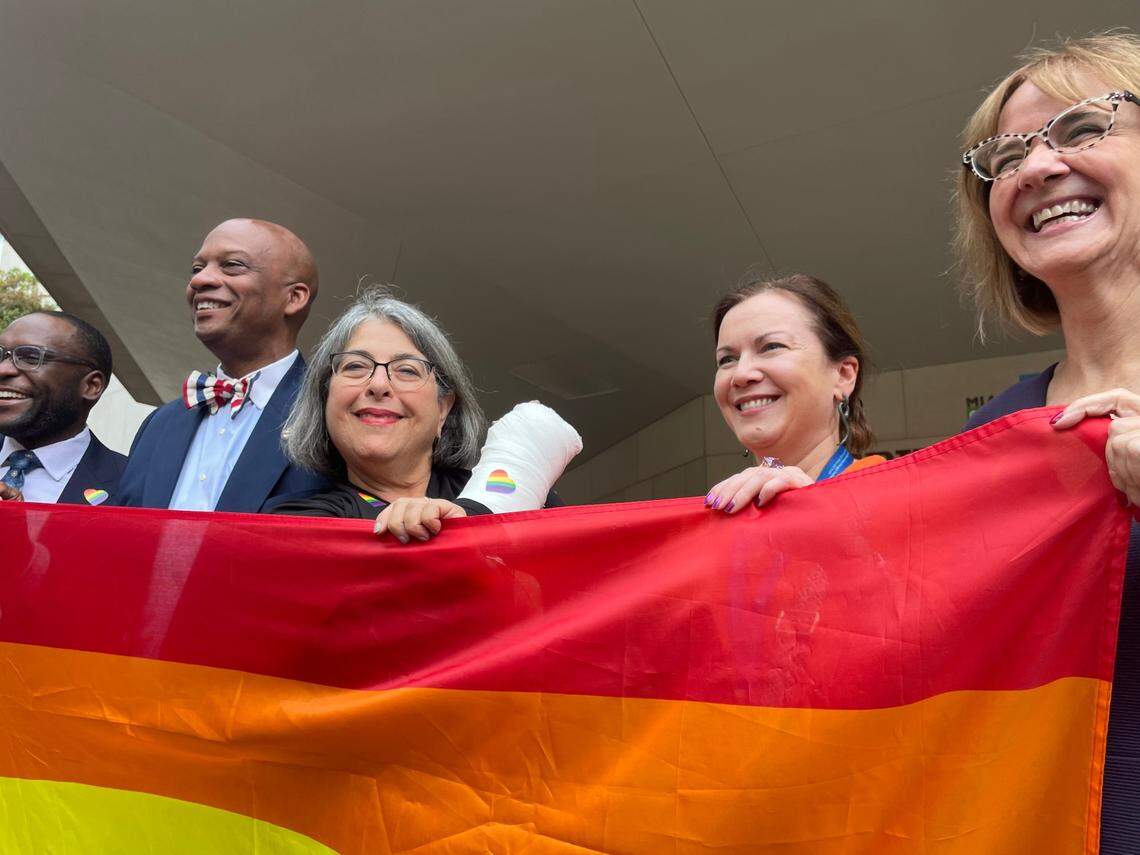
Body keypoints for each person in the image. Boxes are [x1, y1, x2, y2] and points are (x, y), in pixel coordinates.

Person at [954, 32, 1140, 851]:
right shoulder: (988, 439)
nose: (1034, 169)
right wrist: (787, 534)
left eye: (1079, 129)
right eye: (1005, 157)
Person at [271, 288, 566, 540]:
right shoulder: (293, 523)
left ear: (443, 408)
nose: (378, 385)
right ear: (324, 400)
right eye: (355, 366)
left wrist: (469, 514)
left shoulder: (520, 496)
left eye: (407, 370)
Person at [115, 218, 329, 512]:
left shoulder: (331, 414)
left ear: (294, 298)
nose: (199, 281)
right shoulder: (159, 425)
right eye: (197, 269)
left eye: (231, 265)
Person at [704, 273, 884, 513]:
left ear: (843, 375)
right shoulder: (718, 520)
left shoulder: (896, 497)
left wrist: (823, 515)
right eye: (727, 359)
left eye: (772, 347)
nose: (741, 374)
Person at [0, 311, 125, 504]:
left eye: (31, 357)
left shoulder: (131, 485)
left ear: (91, 386)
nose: (3, 369)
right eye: (1, 356)